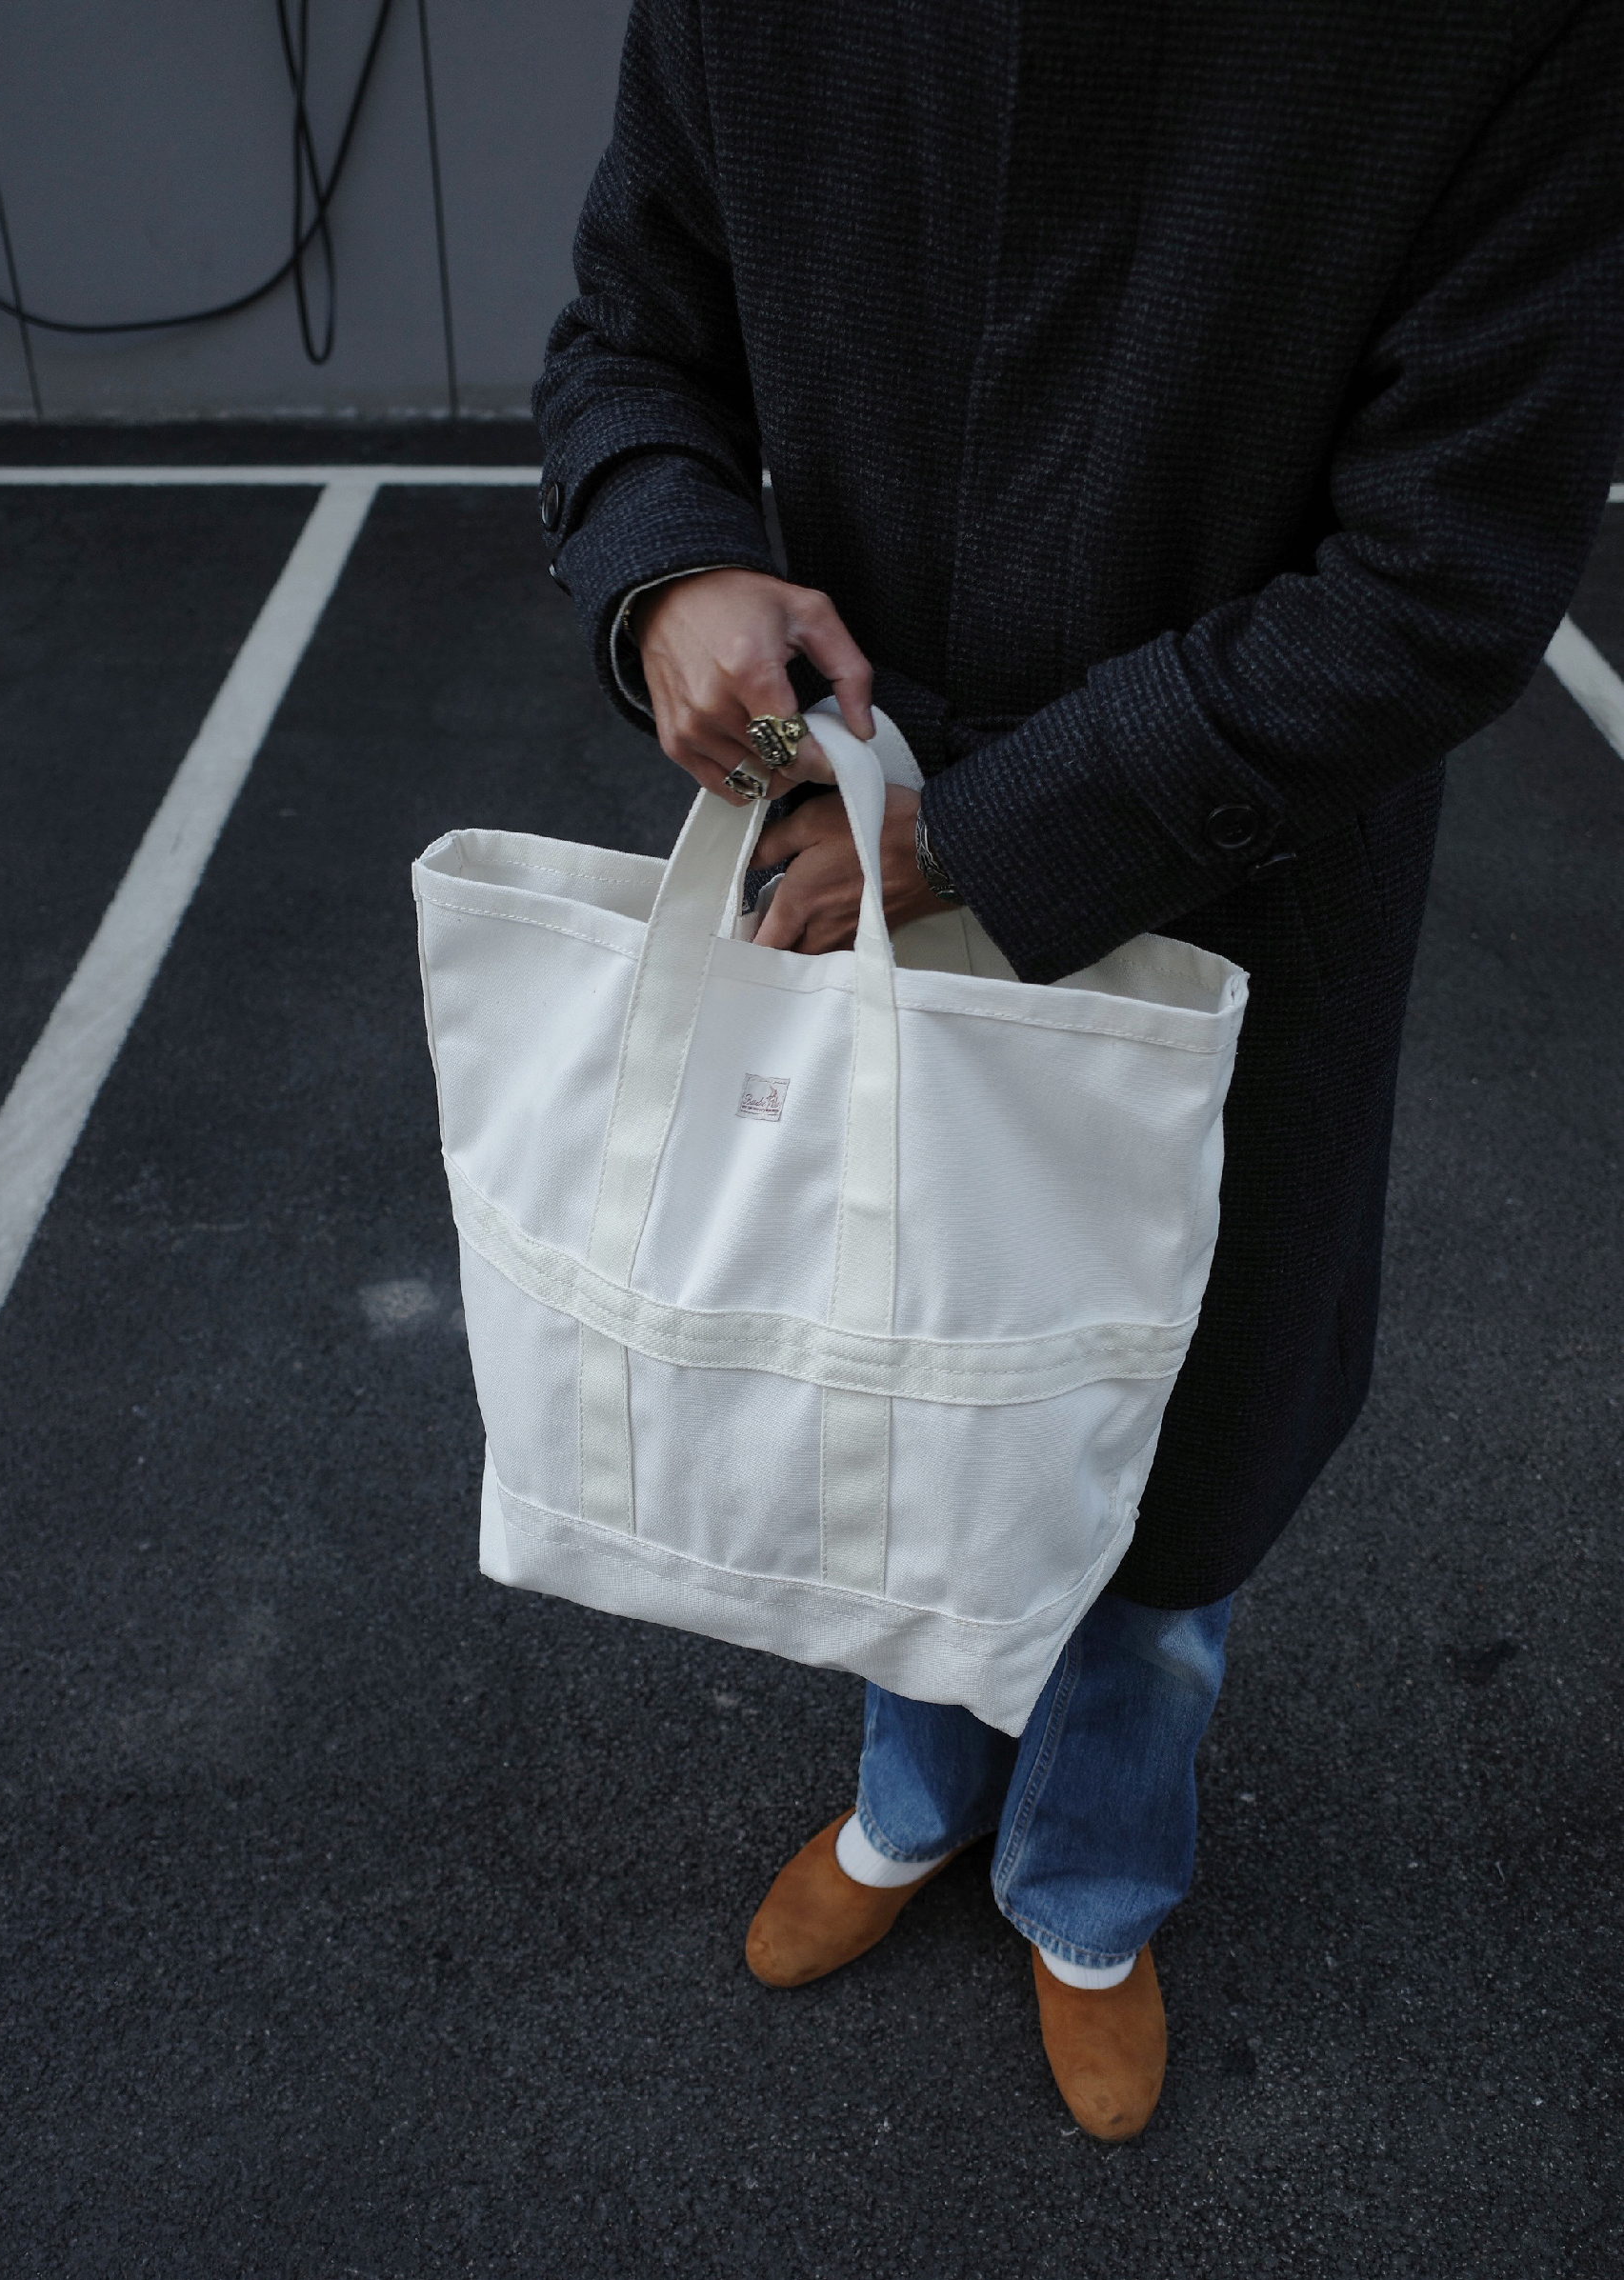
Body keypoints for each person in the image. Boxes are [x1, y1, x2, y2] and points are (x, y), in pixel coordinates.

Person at [534, 0, 1624, 2138]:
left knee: (1159, 1447)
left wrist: (991, 830)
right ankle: (918, 1796)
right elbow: (636, 330)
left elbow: (1444, 572)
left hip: (1238, 884)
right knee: (887, 1362)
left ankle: (1092, 1881)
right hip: (845, 840)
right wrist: (666, 562)